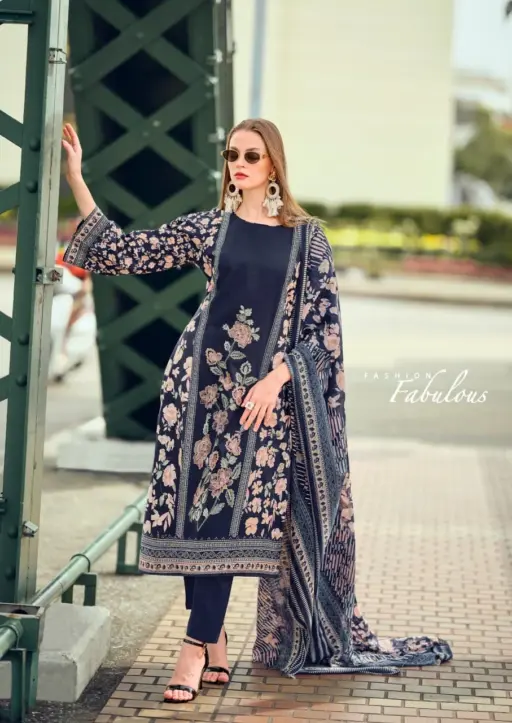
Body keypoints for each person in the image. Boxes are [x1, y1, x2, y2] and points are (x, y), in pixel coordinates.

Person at [61, 119, 453, 704]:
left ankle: (191, 648)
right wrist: (76, 176)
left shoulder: (306, 239)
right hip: (197, 391)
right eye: (232, 155)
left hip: (262, 403)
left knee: (226, 519)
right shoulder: (210, 228)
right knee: (198, 517)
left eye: (252, 155)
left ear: (273, 165)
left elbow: (325, 330)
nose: (239, 164)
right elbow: (123, 252)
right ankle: (211, 639)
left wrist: (277, 377)